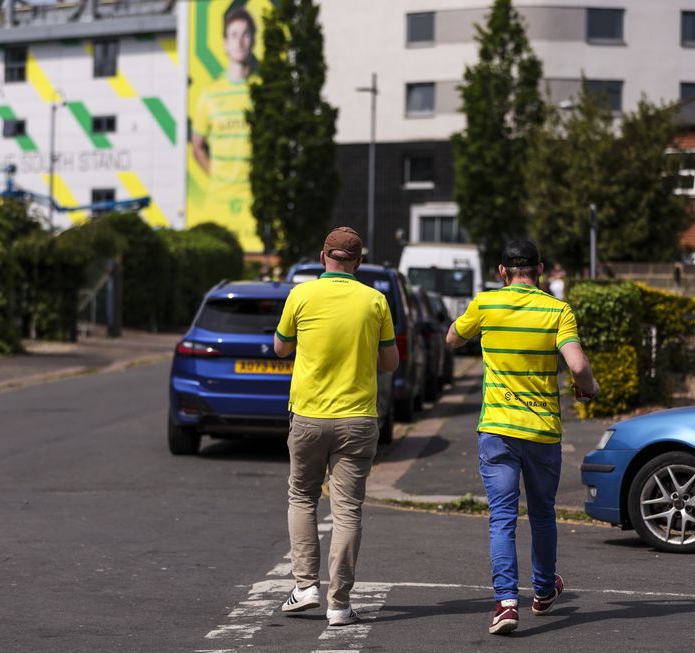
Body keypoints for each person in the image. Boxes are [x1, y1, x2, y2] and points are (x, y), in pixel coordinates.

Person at [445, 239, 598, 636]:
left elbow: (451, 340)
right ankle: (544, 591)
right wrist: (590, 387)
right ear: (540, 270)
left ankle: (506, 603)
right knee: (543, 514)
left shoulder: (486, 304)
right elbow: (577, 365)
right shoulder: (557, 310)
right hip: (543, 431)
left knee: (502, 517)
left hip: (497, 429)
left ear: (502, 271)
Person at [273, 227, 400, 627]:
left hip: (308, 415)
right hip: (358, 418)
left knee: (302, 497)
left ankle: (305, 586)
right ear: (358, 262)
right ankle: (339, 604)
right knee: (346, 511)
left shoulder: (301, 295)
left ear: (323, 255)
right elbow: (390, 363)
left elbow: (281, 347)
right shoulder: (375, 300)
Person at [191, 8, 256, 238]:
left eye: (245, 34)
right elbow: (196, 144)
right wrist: (216, 174)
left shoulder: (259, 90)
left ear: (252, 41)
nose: (239, 41)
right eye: (234, 35)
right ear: (225, 43)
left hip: (253, 200)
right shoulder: (210, 94)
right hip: (218, 199)